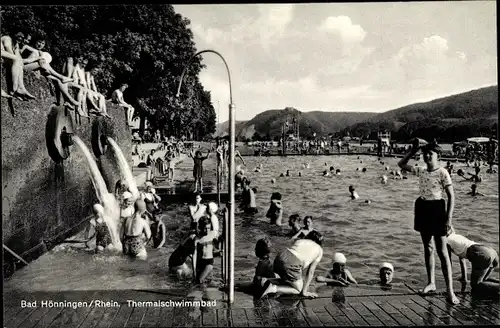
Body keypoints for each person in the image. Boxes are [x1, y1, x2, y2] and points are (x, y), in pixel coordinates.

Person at [398, 139, 459, 304]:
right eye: (424, 153)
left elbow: (452, 196)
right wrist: (412, 151)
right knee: (428, 247)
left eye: (430, 154)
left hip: (438, 209)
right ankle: (431, 282)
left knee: (443, 251)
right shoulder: (421, 170)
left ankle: (450, 291)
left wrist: (448, 219)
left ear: (438, 156)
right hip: (423, 208)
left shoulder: (443, 172)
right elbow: (401, 164)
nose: (426, 156)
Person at [256, 230, 324, 299]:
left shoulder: (301, 241)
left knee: (288, 279)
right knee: (298, 289)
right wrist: (304, 292)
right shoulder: (319, 250)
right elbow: (310, 272)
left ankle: (266, 280)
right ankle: (273, 288)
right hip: (293, 263)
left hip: (280, 256)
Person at [446, 229, 499, 298]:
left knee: (475, 285)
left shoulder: (445, 241)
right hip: (490, 250)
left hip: (481, 254)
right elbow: (462, 260)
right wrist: (464, 278)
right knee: (483, 280)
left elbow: (447, 262)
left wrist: (448, 281)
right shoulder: (457, 237)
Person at [1, 31, 39, 100]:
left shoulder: (16, 44)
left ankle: (21, 88)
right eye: (19, 36)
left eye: (23, 37)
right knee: (16, 60)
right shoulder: (7, 39)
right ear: (14, 34)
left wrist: (37, 58)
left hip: (5, 59)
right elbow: (12, 55)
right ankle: (14, 88)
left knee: (19, 62)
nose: (21, 39)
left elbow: (20, 61)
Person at [192, 217, 217, 284]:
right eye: (205, 228)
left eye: (208, 228)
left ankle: (204, 292)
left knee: (200, 280)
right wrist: (194, 269)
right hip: (200, 262)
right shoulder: (197, 238)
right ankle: (205, 293)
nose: (207, 230)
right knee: (197, 281)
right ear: (200, 228)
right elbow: (194, 254)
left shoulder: (212, 234)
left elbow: (219, 243)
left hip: (209, 261)